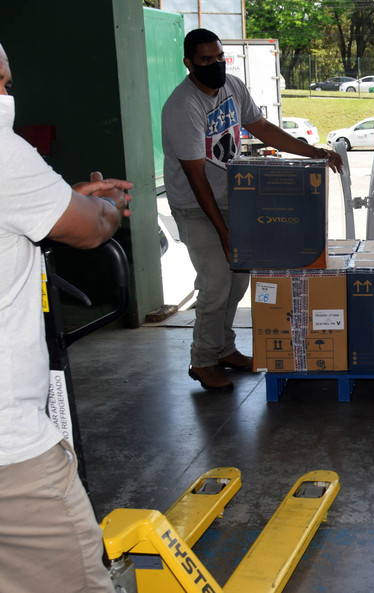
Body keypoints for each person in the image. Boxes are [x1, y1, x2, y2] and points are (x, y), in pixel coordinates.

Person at [0, 42, 133, 593]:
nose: (8, 95)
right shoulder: (3, 155)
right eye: (3, 83)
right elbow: (91, 229)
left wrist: (58, 199)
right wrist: (102, 208)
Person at [162, 28, 343, 392]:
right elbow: (195, 175)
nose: (215, 65)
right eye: (205, 61)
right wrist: (224, 233)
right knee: (215, 281)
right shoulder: (183, 106)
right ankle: (202, 360)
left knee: (238, 280)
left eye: (218, 57)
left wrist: (313, 152)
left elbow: (261, 127)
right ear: (188, 63)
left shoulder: (232, 86)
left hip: (234, 199)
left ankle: (224, 349)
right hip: (196, 205)